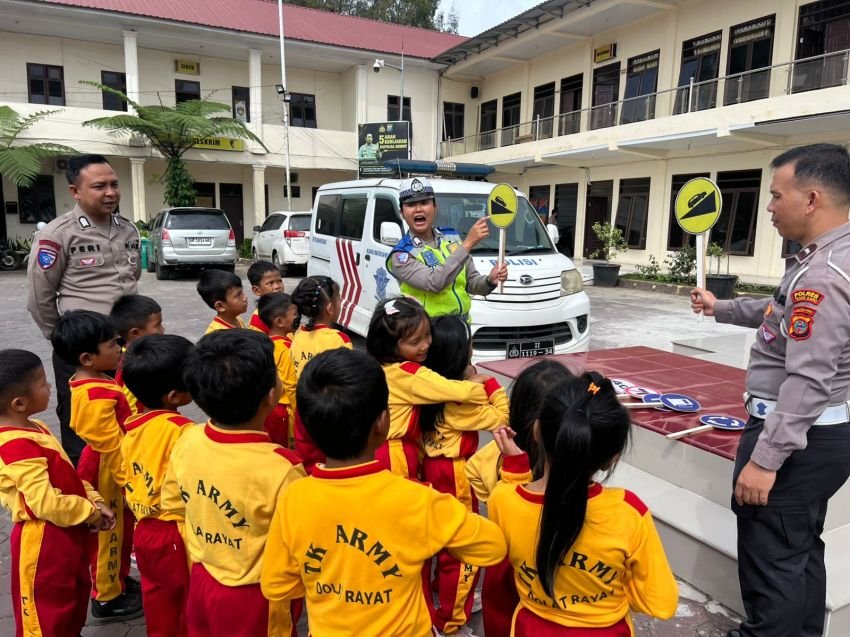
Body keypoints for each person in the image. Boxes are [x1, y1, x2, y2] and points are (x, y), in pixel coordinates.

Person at [689, 143, 850, 637]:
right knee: (798, 550)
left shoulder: (822, 275)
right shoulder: (827, 259)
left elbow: (808, 379)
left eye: (777, 195)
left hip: (795, 439)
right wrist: (720, 307)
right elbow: (776, 313)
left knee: (771, 564)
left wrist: (766, 459)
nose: (769, 207)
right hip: (825, 437)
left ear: (812, 199)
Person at [259, 348, 507, 637]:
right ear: (383, 422)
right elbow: (493, 546)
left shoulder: (294, 497)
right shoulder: (418, 501)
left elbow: (277, 584)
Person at [489, 372, 678, 634]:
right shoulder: (629, 512)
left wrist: (515, 468)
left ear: (536, 430)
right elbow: (660, 603)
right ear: (613, 457)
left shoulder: (503, 499)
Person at [161, 330, 305, 637]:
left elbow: (173, 504)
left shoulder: (188, 438)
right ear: (271, 395)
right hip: (257, 595)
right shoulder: (282, 468)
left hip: (202, 575)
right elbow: (301, 542)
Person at [26, 154, 141, 466]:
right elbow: (39, 297)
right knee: (83, 426)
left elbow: (132, 279)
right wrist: (66, 341)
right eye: (99, 186)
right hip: (83, 350)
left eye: (114, 185)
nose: (110, 192)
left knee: (128, 412)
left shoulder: (128, 230)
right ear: (75, 192)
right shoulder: (57, 233)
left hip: (126, 346)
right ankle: (90, 495)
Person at [0, 349, 115, 637]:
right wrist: (90, 512)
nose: (50, 386)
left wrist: (94, 499)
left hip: (66, 530)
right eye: (42, 383)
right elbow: (45, 502)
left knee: (73, 599)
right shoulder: (15, 447)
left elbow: (66, 474)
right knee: (46, 614)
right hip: (42, 542)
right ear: (19, 403)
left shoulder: (35, 426)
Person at [466, 359, 573, 637]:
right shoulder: (575, 465)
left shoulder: (492, 458)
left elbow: (477, 478)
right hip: (558, 567)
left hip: (505, 565)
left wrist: (498, 490)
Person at [420, 314, 509, 636]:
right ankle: (451, 619)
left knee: (435, 538)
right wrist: (490, 383)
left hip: (427, 467)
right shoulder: (463, 398)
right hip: (454, 473)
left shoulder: (425, 384)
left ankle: (436, 593)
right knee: (461, 549)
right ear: (462, 352)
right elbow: (503, 417)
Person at [50, 310, 142, 622]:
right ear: (88, 358)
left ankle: (116, 580)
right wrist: (129, 481)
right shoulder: (94, 394)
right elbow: (110, 444)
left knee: (121, 528)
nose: (120, 348)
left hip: (109, 462)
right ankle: (107, 596)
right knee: (110, 533)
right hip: (106, 469)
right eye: (113, 345)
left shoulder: (92, 380)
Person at [365, 297, 494, 479]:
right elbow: (457, 391)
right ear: (391, 345)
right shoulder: (411, 376)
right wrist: (479, 383)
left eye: (427, 334)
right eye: (414, 341)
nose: (425, 345)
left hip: (375, 446)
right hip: (397, 452)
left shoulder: (380, 366)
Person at [121, 334, 195, 637]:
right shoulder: (182, 431)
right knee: (186, 603)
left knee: (159, 599)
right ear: (174, 396)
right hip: (175, 532)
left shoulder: (132, 428)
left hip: (145, 529)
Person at [386, 177, 508, 320]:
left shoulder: (451, 236)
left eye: (424, 203)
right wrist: (468, 243)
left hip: (461, 328)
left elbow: (471, 283)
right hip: (429, 331)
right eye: (411, 205)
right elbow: (435, 283)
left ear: (435, 208)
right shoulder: (401, 254)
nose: (418, 209)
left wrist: (489, 280)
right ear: (402, 213)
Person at [289, 276, 352, 472]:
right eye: (339, 299)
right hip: (332, 410)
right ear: (330, 308)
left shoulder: (298, 335)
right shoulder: (338, 339)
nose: (341, 303)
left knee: (309, 461)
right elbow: (348, 380)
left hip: (303, 407)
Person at [110, 294, 164, 415]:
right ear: (135, 333)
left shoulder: (130, 354)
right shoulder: (133, 366)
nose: (163, 330)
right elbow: (128, 408)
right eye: (158, 325)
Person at [258, 292, 299, 447]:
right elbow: (291, 385)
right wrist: (300, 413)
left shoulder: (268, 343)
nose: (298, 317)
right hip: (285, 411)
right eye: (295, 314)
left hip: (271, 408)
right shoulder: (285, 349)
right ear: (280, 321)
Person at [197, 268, 248, 333]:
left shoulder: (238, 320)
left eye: (242, 292)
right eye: (238, 295)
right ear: (220, 306)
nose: (245, 298)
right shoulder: (216, 335)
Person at [247, 260, 284, 334]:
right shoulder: (258, 319)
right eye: (270, 283)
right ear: (257, 290)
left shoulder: (286, 308)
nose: (277, 286)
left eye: (279, 281)